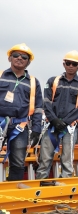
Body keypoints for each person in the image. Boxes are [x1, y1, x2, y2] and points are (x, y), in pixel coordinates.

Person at [36, 50, 78, 179]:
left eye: (74, 64)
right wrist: (54, 120)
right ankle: (41, 182)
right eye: (68, 63)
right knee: (45, 155)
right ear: (64, 64)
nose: (71, 66)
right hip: (52, 125)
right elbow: (46, 102)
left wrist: (65, 122)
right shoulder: (53, 81)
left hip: (70, 126)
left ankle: (65, 183)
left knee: (67, 157)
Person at [0, 43, 43, 181]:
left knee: (18, 161)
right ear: (9, 58)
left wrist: (36, 129)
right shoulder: (1, 76)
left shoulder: (33, 82)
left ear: (28, 62)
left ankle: (13, 193)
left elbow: (38, 107)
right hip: (0, 122)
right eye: (16, 55)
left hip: (20, 126)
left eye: (24, 57)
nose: (19, 58)